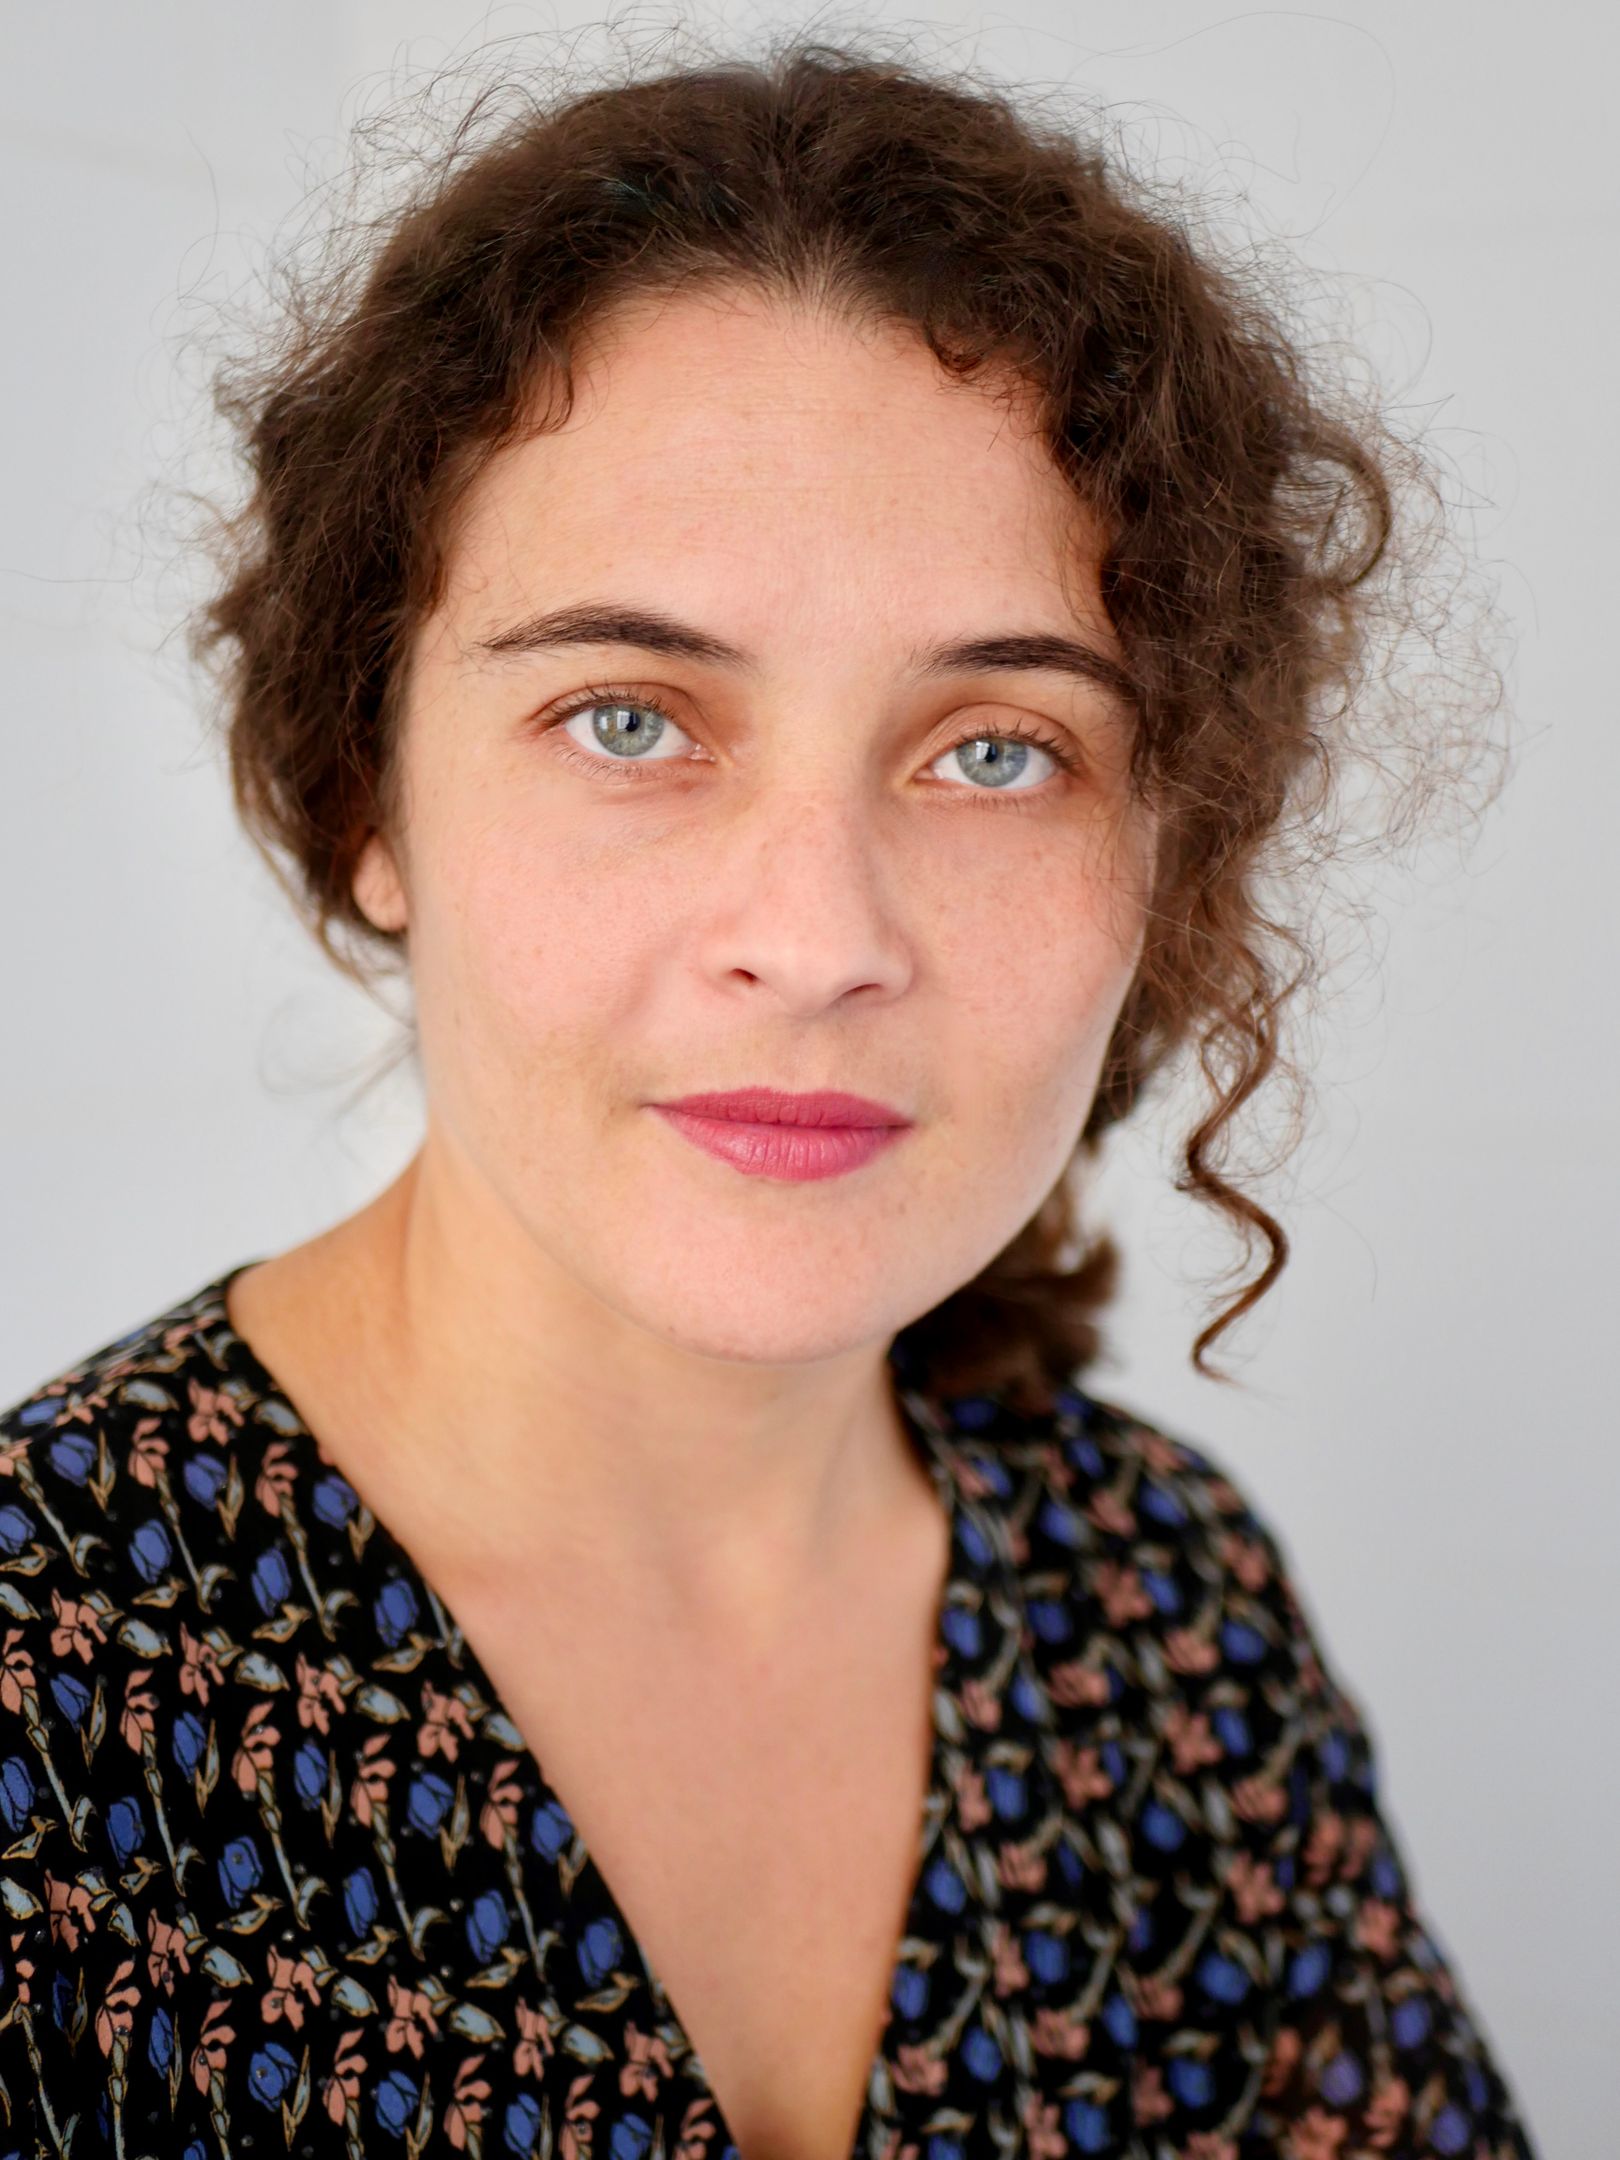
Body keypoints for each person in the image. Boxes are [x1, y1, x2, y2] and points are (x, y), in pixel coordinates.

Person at [0, 28, 1538, 2160]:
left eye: (996, 750)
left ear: (1164, 853)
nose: (815, 936)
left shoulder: (1161, 1624)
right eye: (630, 719)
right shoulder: (38, 1696)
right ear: (370, 794)